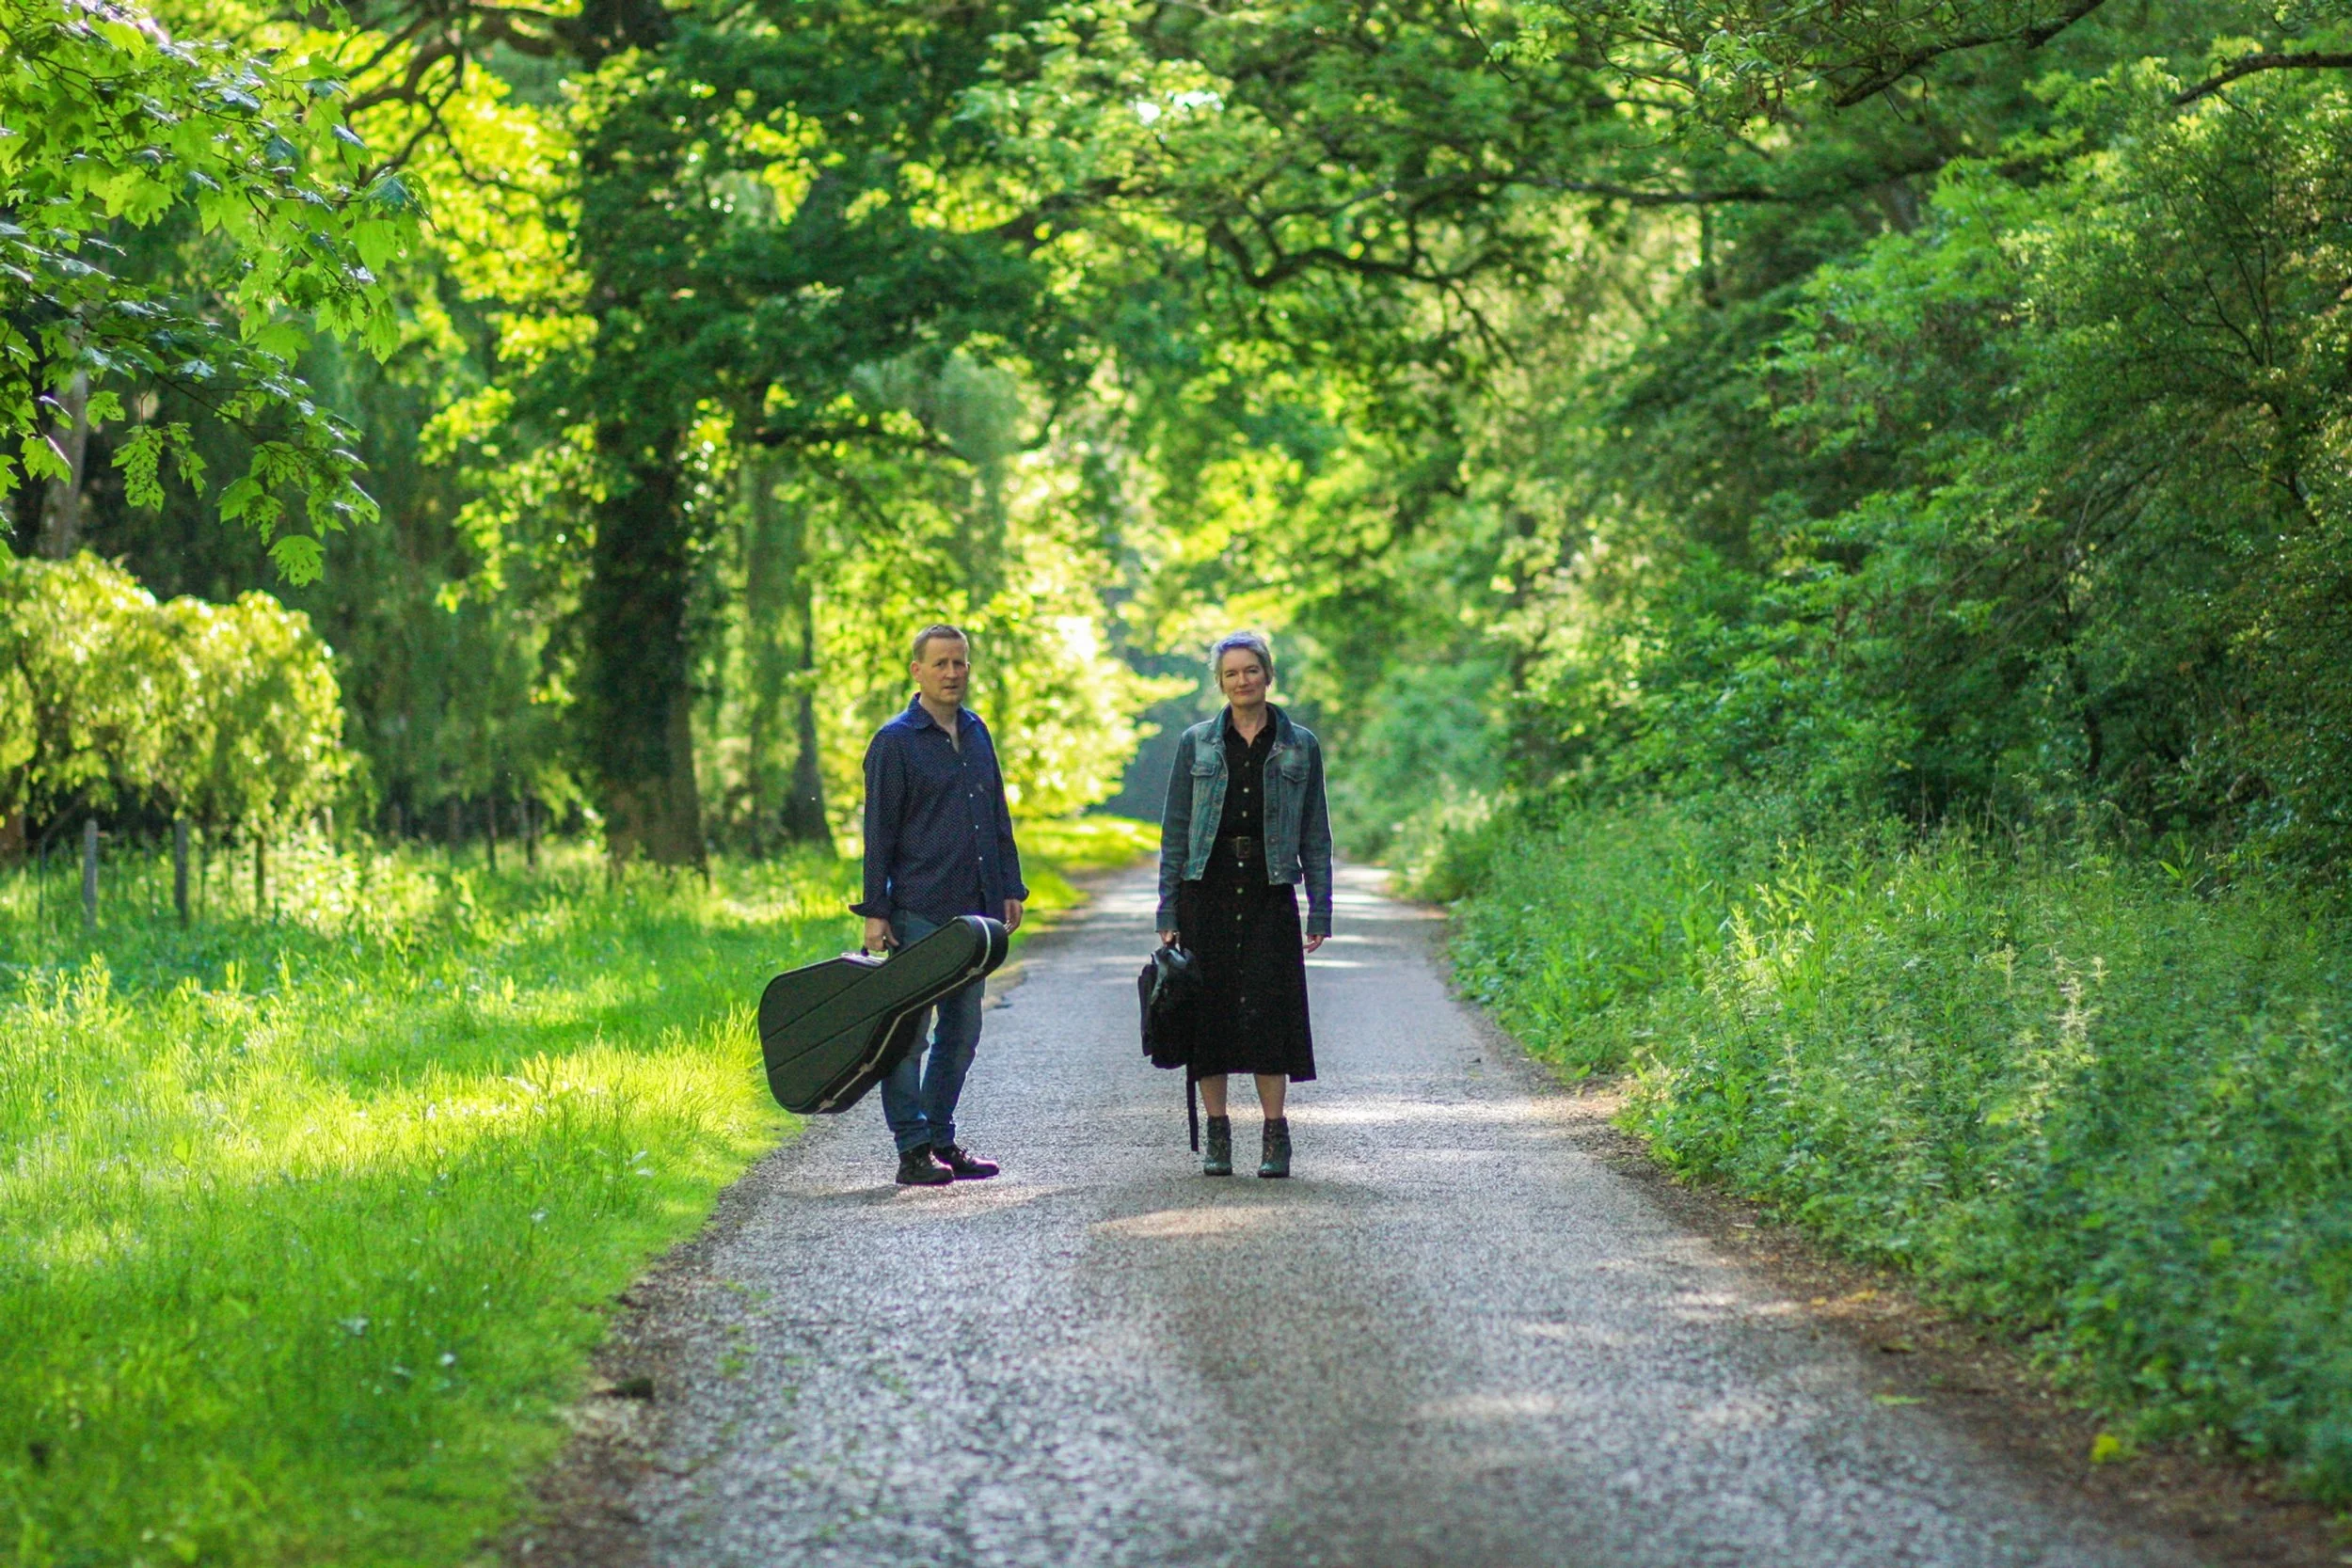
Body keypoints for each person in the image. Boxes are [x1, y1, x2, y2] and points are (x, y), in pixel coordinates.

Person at [853, 624, 1026, 1186]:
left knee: (962, 1030)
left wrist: (1011, 887)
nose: (953, 673)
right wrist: (876, 911)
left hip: (975, 914)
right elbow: (878, 833)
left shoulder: (976, 732)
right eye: (941, 664)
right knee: (908, 1037)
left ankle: (941, 1138)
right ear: (917, 671)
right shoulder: (894, 742)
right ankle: (912, 1149)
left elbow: (996, 816)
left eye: (960, 663)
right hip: (918, 910)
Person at [1155, 631, 1332, 1178]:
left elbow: (1315, 832)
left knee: (1269, 1015)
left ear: (1267, 674)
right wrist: (1168, 911)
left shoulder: (1300, 744)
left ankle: (1275, 1137)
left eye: (1251, 670)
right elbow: (1177, 831)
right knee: (1208, 1017)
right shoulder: (1197, 744)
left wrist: (1319, 908)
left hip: (1269, 888)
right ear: (1220, 682)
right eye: (1231, 673)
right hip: (1204, 889)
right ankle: (1218, 1135)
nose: (1242, 681)